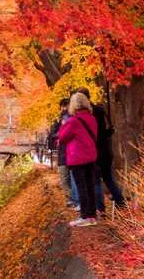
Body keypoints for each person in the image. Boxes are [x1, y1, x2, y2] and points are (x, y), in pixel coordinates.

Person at [75, 88, 126, 210]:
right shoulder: (100, 110)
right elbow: (106, 130)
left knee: (96, 180)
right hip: (106, 150)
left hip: (94, 151)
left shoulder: (85, 115)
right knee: (108, 178)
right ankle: (121, 202)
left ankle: (101, 208)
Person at [58, 93, 99, 227]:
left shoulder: (73, 121)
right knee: (90, 186)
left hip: (77, 158)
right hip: (91, 156)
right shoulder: (92, 118)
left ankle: (85, 216)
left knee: (82, 187)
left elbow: (62, 137)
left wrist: (63, 124)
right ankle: (92, 216)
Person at [48, 98, 78, 207]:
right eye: (63, 106)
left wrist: (59, 135)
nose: (65, 109)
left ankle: (74, 200)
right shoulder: (59, 119)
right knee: (65, 178)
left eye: (66, 106)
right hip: (64, 153)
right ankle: (72, 198)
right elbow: (52, 134)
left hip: (70, 153)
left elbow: (56, 134)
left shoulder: (72, 118)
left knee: (69, 178)